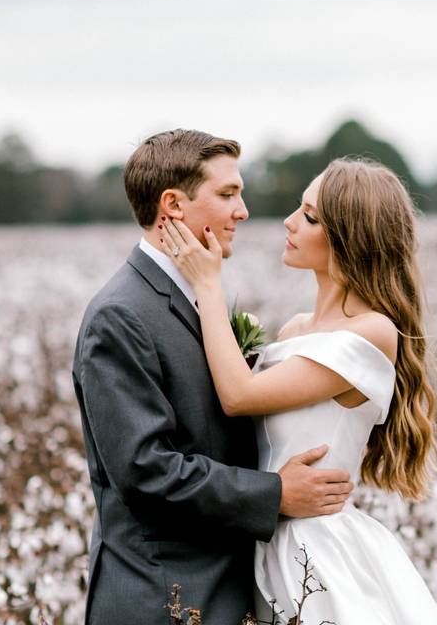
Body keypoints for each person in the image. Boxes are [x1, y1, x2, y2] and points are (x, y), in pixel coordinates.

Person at [71, 129, 356, 625]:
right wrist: (276, 494)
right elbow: (145, 472)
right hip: (162, 597)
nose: (242, 211)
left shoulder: (200, 297)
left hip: (226, 589)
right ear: (174, 206)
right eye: (227, 195)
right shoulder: (120, 315)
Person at [159, 157, 437, 623]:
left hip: (316, 553)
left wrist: (208, 286)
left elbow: (239, 396)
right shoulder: (296, 330)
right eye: (299, 209)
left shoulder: (371, 333)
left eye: (311, 217)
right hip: (266, 540)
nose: (290, 222)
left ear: (350, 237)